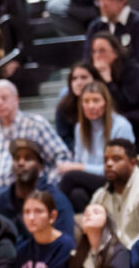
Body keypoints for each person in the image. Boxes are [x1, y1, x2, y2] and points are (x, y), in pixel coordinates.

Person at [0, 80, 71, 194]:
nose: (0, 103)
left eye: (4, 98)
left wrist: (47, 187)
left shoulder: (36, 124)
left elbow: (62, 158)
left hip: (31, 191)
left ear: (16, 99)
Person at [57, 81, 134, 212]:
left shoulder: (121, 126)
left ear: (106, 102)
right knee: (77, 194)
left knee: (69, 177)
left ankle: (53, 217)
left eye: (96, 100)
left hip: (118, 179)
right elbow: (80, 160)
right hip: (93, 181)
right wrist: (78, 167)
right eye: (86, 101)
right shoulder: (79, 128)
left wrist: (79, 167)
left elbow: (119, 168)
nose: (91, 106)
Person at [0, 139, 76, 241]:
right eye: (17, 158)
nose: (21, 163)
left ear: (40, 167)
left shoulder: (57, 201)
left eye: (28, 158)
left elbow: (65, 245)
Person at [91, 139, 139, 248]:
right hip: (108, 258)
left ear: (133, 163)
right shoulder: (100, 195)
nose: (109, 164)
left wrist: (121, 256)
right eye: (105, 160)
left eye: (116, 159)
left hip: (137, 257)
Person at [54, 63, 104, 149]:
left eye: (84, 77)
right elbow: (64, 139)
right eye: (74, 79)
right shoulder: (63, 107)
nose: (79, 83)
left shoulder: (104, 102)